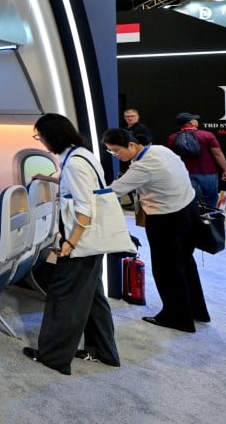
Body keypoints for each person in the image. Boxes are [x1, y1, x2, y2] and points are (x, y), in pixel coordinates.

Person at [23, 113, 120, 374]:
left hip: (82, 241)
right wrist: (51, 179)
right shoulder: (82, 155)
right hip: (94, 241)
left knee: (63, 297)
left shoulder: (74, 163)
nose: (40, 141)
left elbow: (84, 208)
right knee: (93, 297)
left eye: (40, 136)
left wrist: (70, 244)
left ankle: (53, 357)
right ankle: (103, 350)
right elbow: (83, 188)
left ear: (52, 135)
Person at [102, 128, 208, 332]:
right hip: (187, 210)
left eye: (115, 151)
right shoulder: (160, 150)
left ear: (131, 145)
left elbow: (112, 191)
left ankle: (177, 318)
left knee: (167, 269)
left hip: (166, 219)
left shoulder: (143, 166)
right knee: (185, 264)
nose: (116, 156)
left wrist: (77, 193)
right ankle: (196, 311)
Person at [166, 112, 226, 210]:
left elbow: (171, 157)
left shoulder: (173, 137)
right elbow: (217, 153)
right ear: (192, 122)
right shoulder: (207, 135)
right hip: (209, 174)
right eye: (195, 119)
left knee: (192, 200)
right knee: (210, 200)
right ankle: (210, 221)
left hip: (186, 174)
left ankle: (196, 221)